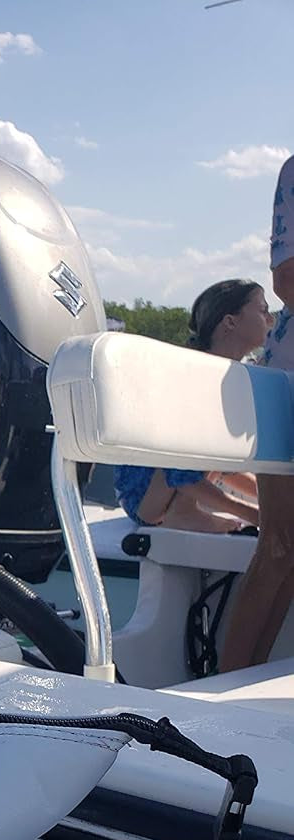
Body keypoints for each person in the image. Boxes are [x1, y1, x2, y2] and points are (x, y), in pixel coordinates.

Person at [114, 279, 271, 534]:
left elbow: (220, 469)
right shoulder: (197, 379)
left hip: (155, 496)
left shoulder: (219, 375)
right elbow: (179, 469)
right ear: (230, 322)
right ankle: (183, 513)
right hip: (147, 502)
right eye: (263, 310)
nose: (271, 319)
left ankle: (184, 511)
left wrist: (276, 501)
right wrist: (256, 515)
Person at [221, 157, 294, 672]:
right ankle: (225, 687)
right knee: (281, 543)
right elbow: (287, 279)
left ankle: (244, 681)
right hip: (288, 379)